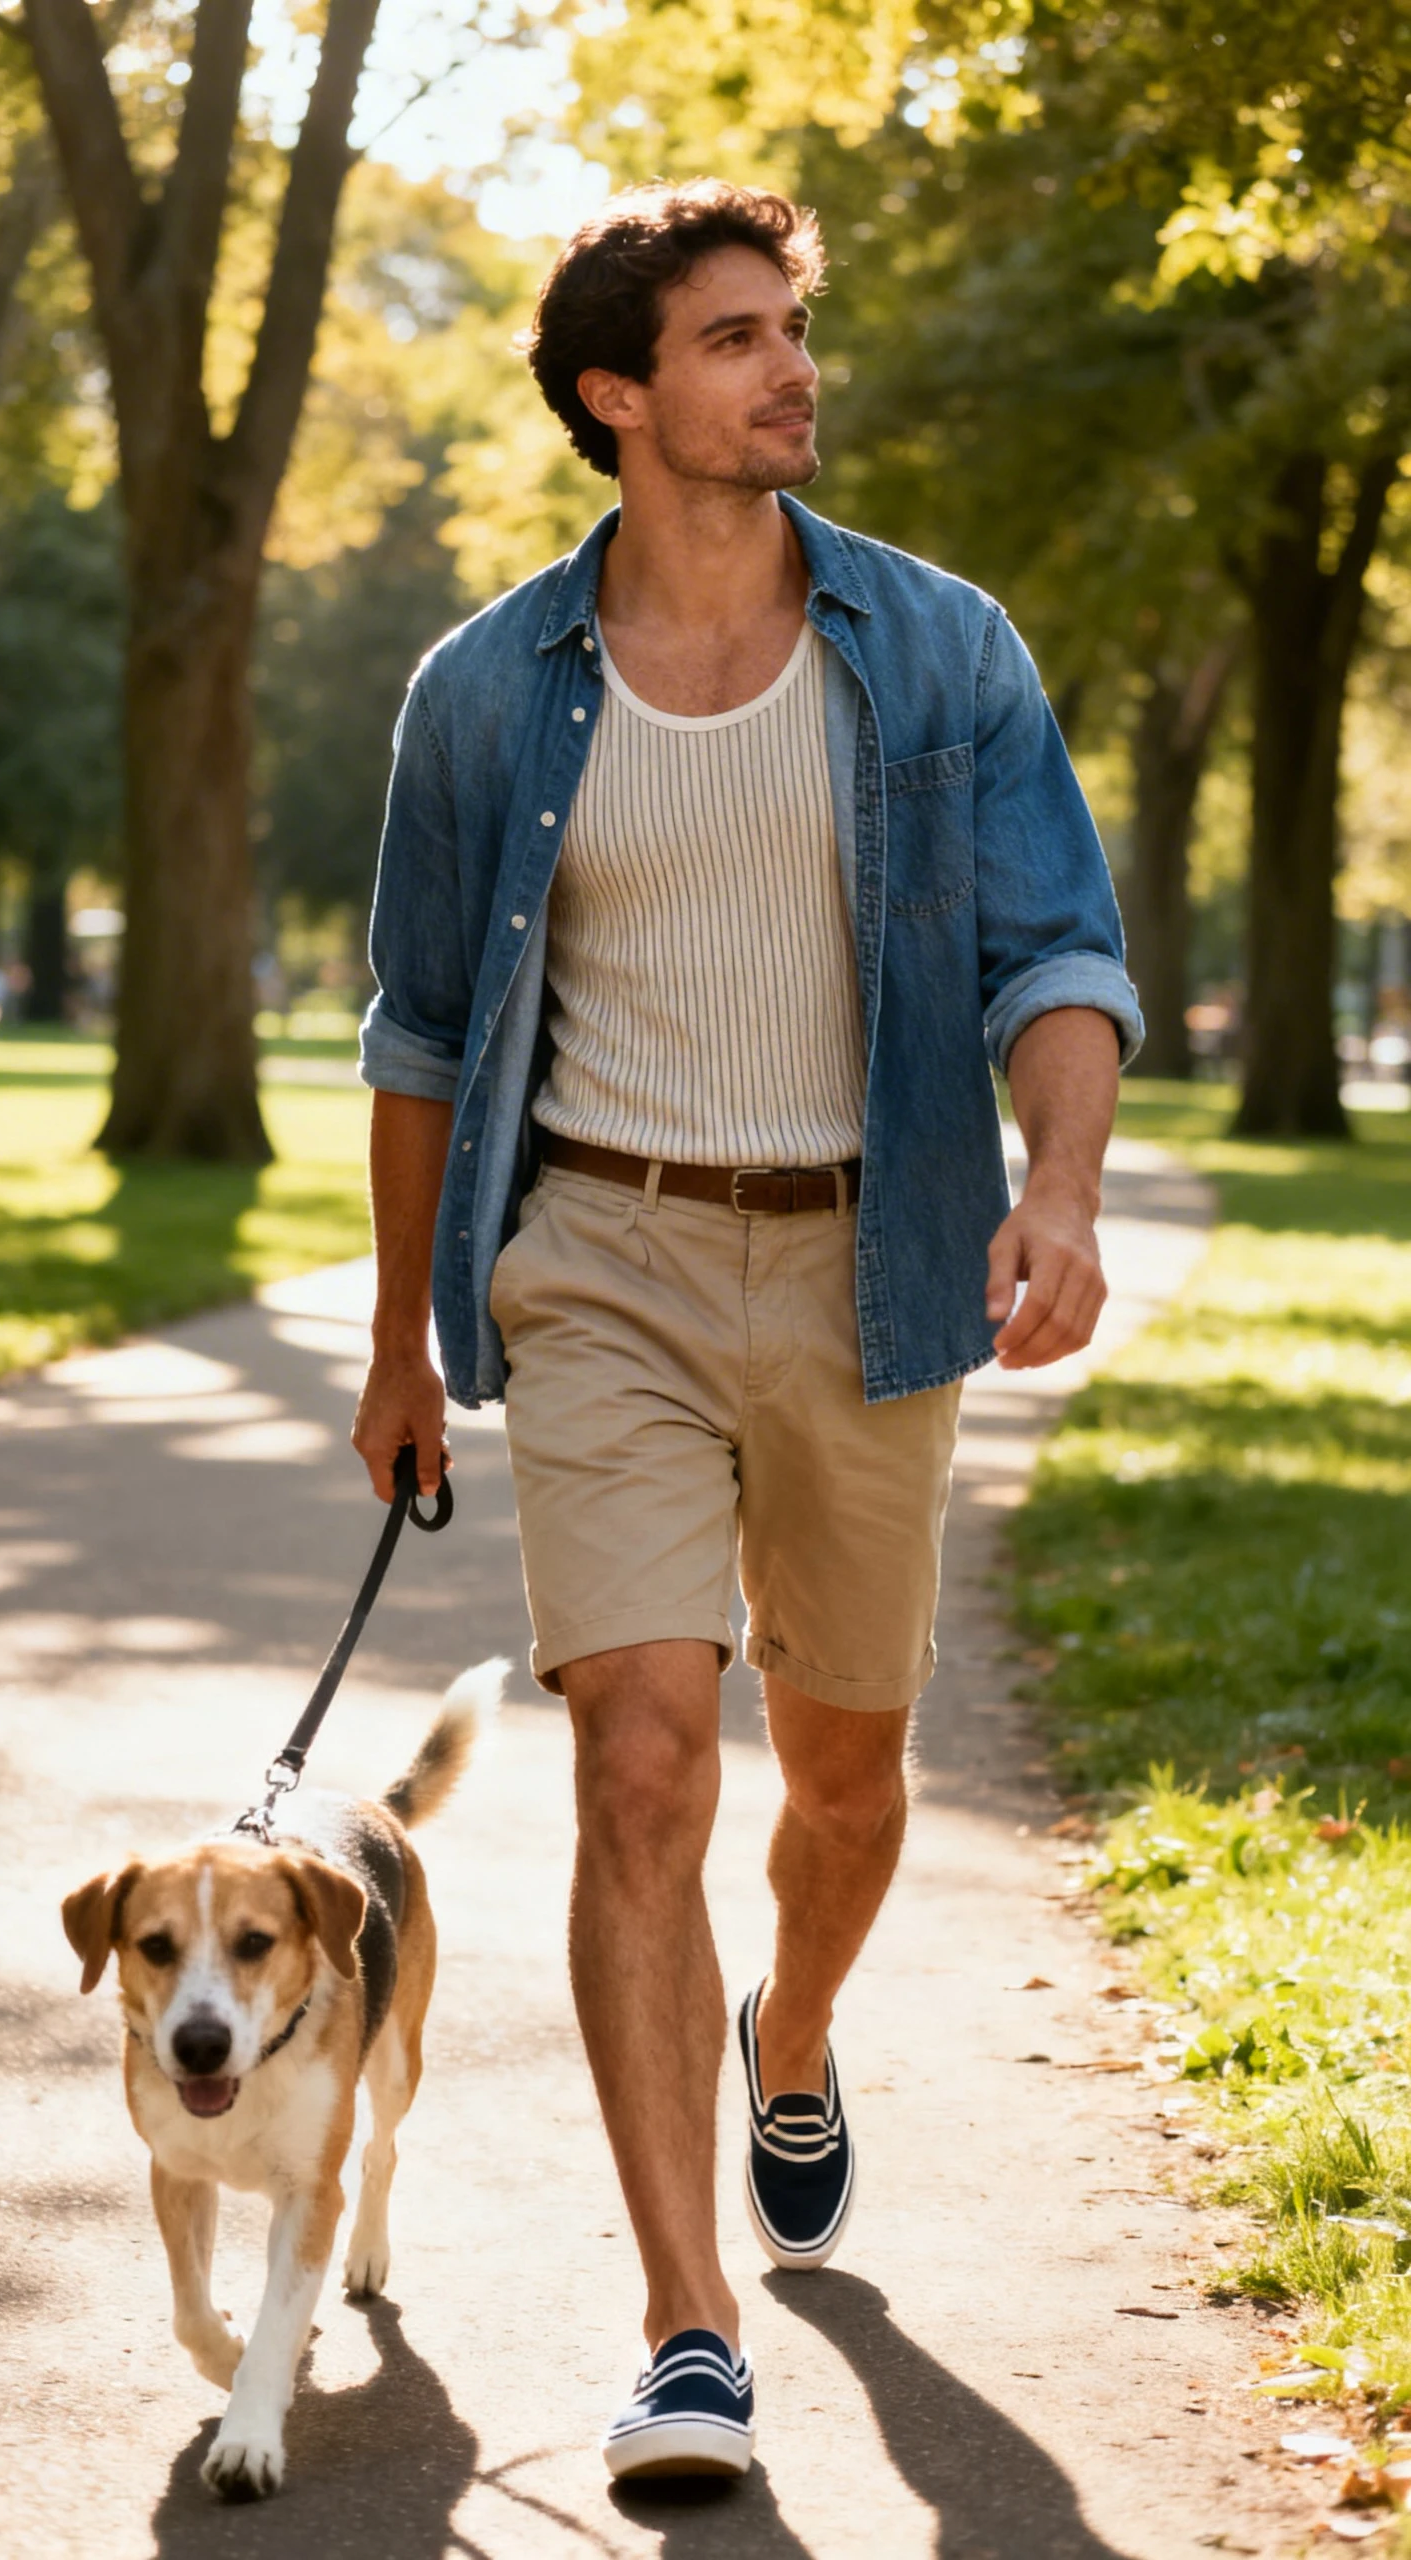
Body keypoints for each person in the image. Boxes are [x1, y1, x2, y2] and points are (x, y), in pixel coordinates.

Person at [353, 178, 1142, 2485]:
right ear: (619, 393)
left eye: (794, 328)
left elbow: (1056, 949)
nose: (794, 370)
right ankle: (688, 2324)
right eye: (737, 337)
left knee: (849, 1778)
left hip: (870, 1261)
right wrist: (404, 1342)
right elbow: (421, 1031)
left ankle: (790, 2029)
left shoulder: (938, 647)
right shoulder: (485, 688)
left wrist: (1061, 1187)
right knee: (639, 1761)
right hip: (598, 1258)